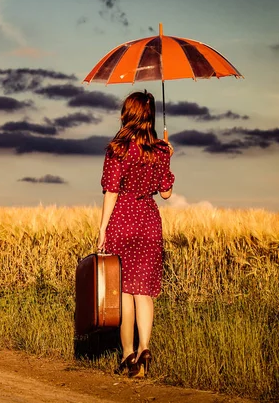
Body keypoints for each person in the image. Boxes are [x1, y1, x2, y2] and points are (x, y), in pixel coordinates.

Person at [97, 90, 175, 378]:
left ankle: (128, 354)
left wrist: (103, 228)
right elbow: (165, 193)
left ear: (126, 114)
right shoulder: (161, 150)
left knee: (126, 293)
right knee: (145, 293)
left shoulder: (117, 149)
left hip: (122, 221)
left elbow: (111, 190)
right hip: (149, 221)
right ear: (151, 115)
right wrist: (167, 154)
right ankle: (145, 349)